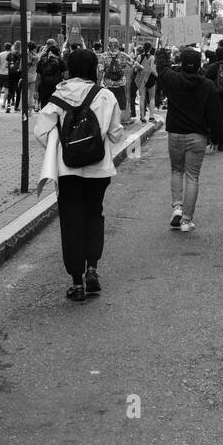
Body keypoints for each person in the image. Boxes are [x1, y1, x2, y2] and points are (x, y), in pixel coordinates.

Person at [34, 48, 126, 303]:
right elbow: (117, 133)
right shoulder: (105, 95)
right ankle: (92, 269)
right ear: (94, 68)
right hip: (99, 169)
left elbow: (41, 133)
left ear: (69, 69)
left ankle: (76, 282)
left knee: (71, 221)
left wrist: (62, 144)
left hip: (67, 170)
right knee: (94, 215)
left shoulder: (57, 96)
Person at [156, 46, 223, 232]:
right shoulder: (208, 85)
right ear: (200, 64)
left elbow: (161, 68)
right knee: (192, 177)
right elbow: (215, 114)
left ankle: (177, 207)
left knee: (176, 170)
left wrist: (163, 50)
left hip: (175, 134)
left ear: (182, 62)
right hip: (198, 136)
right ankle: (186, 220)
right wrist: (217, 138)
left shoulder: (172, 79)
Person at [98, 37, 134, 123]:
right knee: (120, 104)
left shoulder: (103, 56)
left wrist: (98, 83)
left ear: (108, 46)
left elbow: (100, 71)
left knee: (108, 104)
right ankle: (117, 123)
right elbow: (134, 65)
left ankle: (109, 123)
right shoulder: (123, 55)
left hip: (108, 84)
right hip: (120, 83)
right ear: (118, 45)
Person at [36, 39, 64, 109]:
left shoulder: (42, 58)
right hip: (57, 87)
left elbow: (38, 76)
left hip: (44, 86)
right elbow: (66, 75)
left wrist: (36, 90)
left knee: (44, 105)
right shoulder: (59, 60)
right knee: (55, 106)